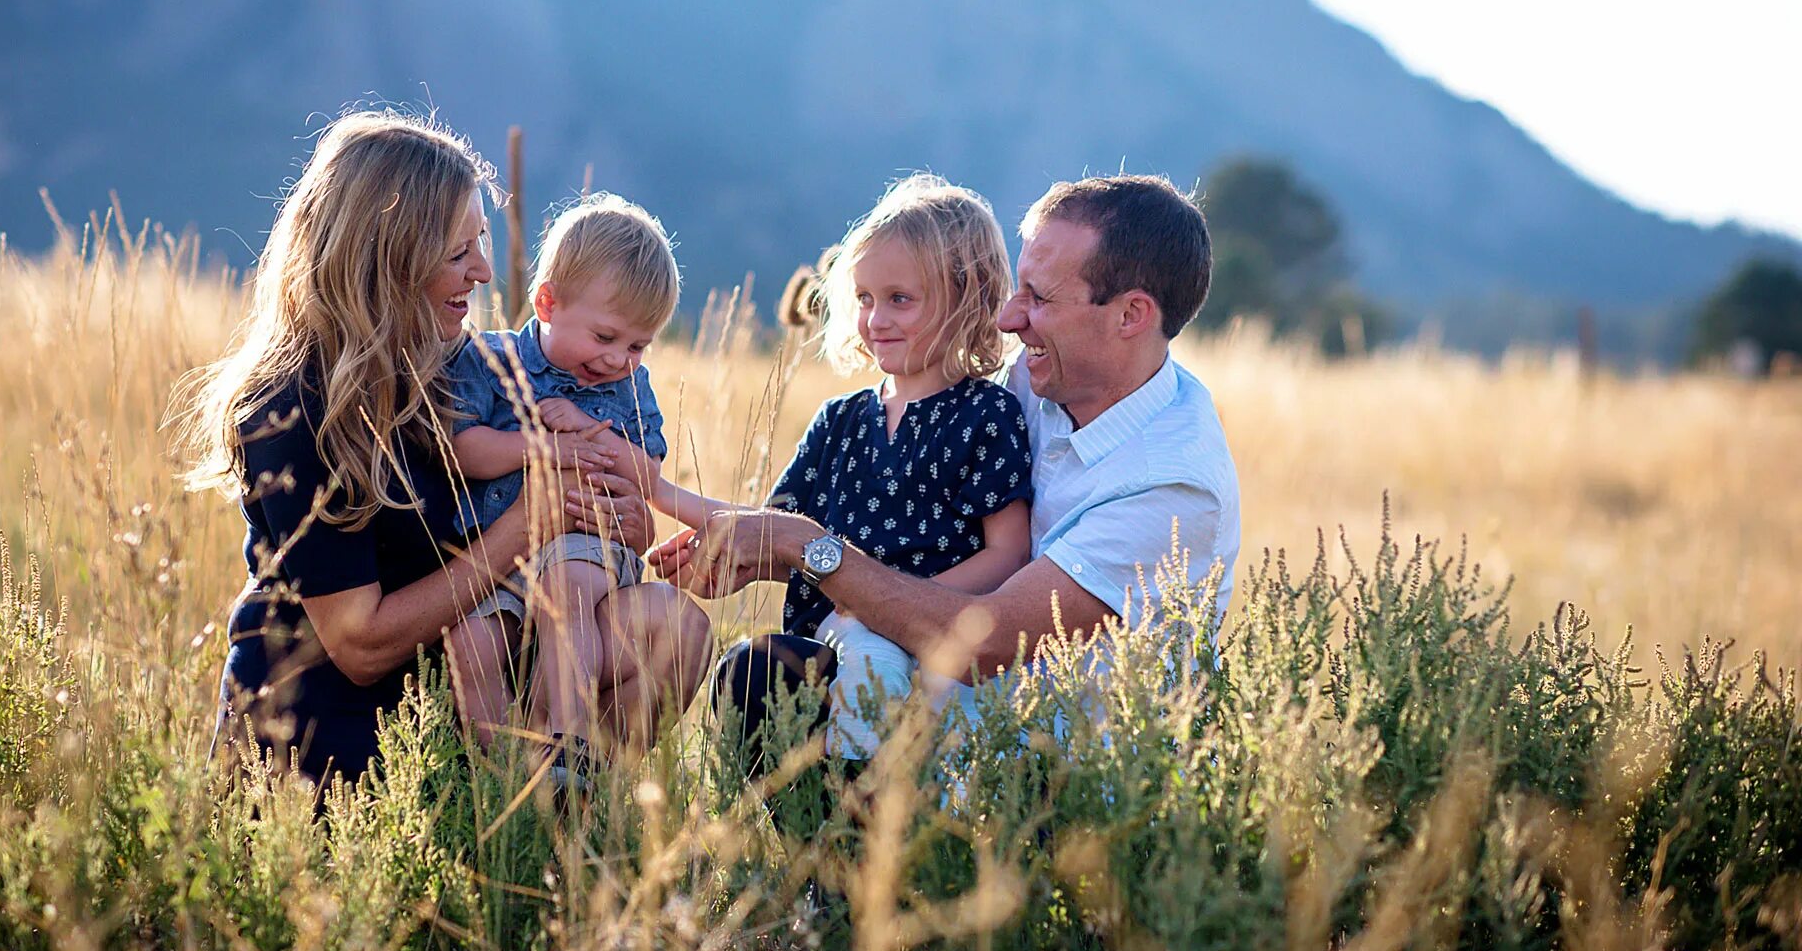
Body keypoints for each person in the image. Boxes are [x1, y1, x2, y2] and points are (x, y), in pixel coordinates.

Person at [178, 110, 705, 789]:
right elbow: (360, 643)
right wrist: (529, 526)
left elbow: (577, 502)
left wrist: (622, 520)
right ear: (386, 256)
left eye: (480, 242)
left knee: (679, 630)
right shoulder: (292, 406)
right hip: (331, 755)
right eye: (459, 253)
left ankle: (567, 804)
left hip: (464, 704)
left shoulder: (455, 371)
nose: (484, 271)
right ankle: (533, 802)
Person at [652, 174, 1240, 769]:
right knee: (761, 674)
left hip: (1060, 781)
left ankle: (873, 848)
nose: (1009, 319)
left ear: (1131, 314)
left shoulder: (1172, 484)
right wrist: (753, 551)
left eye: (1039, 298)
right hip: (942, 718)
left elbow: (988, 642)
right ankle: (828, 860)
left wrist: (808, 548)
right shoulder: (1030, 383)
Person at [634, 174, 1034, 762]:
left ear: (966, 297)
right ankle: (811, 834)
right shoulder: (841, 420)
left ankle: (862, 820)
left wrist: (892, 600)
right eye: (866, 299)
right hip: (829, 637)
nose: (877, 320)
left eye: (901, 299)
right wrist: (673, 506)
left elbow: (1008, 554)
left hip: (929, 644)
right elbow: (772, 529)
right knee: (750, 672)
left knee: (873, 679)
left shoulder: (987, 414)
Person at [444, 193, 708, 788]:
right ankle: (503, 782)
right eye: (605, 337)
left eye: (638, 346)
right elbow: (467, 449)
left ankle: (568, 744)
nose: (618, 359)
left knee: (570, 587)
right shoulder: (490, 360)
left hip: (582, 547)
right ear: (547, 302)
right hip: (493, 557)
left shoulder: (632, 388)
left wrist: (592, 432)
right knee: (470, 642)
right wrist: (546, 449)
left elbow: (646, 472)